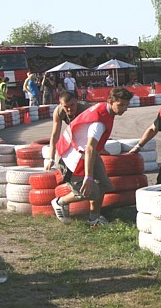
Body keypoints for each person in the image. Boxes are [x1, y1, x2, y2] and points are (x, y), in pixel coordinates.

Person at [51, 88, 134, 226]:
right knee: (91, 191)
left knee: (104, 185)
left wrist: (101, 149)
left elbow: (91, 145)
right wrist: (88, 177)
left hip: (86, 153)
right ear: (110, 101)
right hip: (70, 158)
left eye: (126, 105)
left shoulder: (104, 109)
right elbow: (89, 147)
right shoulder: (99, 123)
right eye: (121, 105)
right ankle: (60, 202)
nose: (125, 108)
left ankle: (94, 219)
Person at [45, 91, 91, 171]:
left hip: (86, 129)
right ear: (61, 105)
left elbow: (95, 131)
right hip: (72, 130)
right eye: (66, 107)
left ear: (76, 101)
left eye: (72, 105)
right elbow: (55, 136)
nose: (69, 109)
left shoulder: (86, 109)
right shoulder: (58, 111)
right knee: (60, 157)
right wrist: (51, 159)